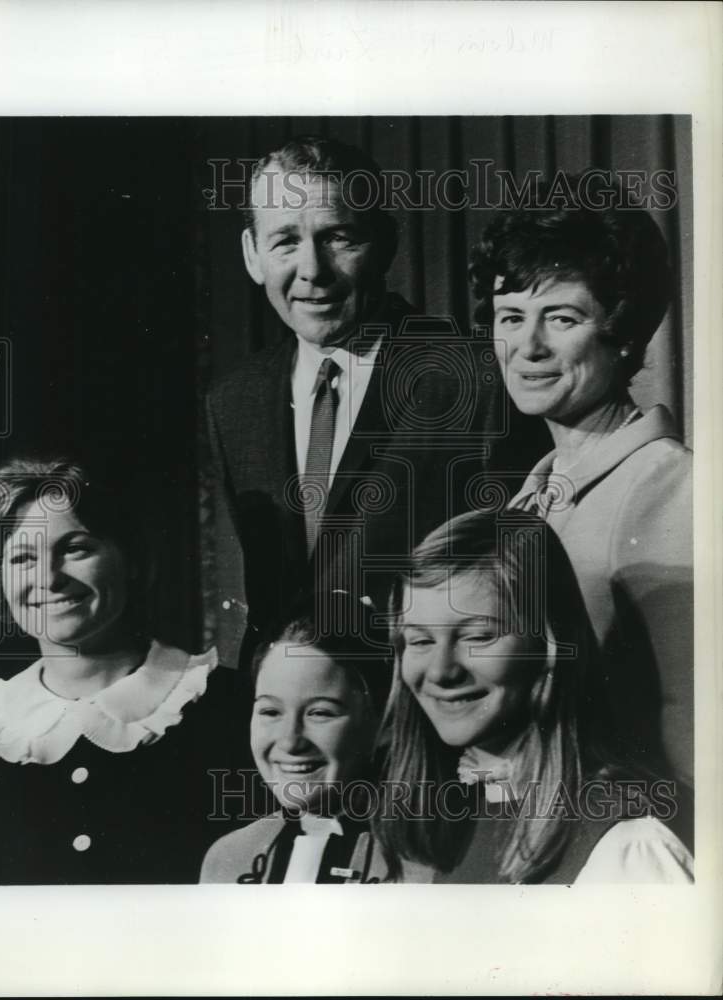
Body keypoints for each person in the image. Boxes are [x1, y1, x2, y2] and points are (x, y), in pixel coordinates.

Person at [207, 134, 524, 670]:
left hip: (424, 720)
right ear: (252, 255)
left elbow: (509, 591)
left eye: (338, 237)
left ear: (385, 241)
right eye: (285, 241)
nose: (312, 269)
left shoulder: (475, 378)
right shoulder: (234, 401)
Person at [468, 182, 693, 812]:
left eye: (561, 318)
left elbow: (694, 740)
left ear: (624, 332)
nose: (528, 346)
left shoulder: (672, 490)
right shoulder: (523, 502)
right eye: (510, 316)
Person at [374, 509, 694, 884]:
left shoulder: (625, 846)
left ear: (548, 645)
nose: (441, 671)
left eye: (478, 636)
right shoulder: (457, 823)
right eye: (420, 640)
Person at [0, 457, 251, 884]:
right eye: (22, 558)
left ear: (132, 559)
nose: (49, 578)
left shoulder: (230, 708)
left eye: (76, 548)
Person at [200, 591, 391, 883]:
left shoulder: (420, 863)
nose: (290, 741)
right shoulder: (228, 859)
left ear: (380, 724)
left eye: (320, 713)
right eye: (270, 712)